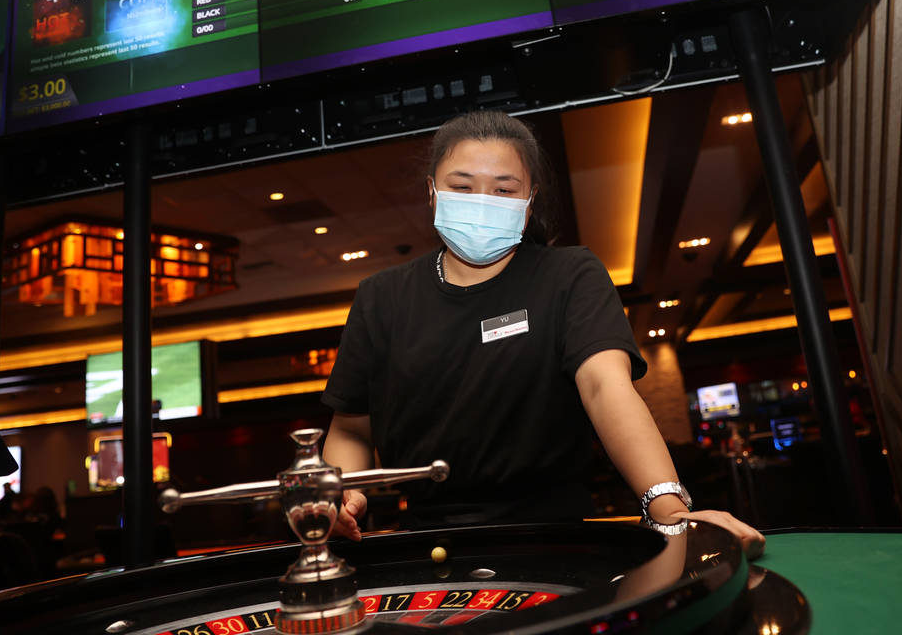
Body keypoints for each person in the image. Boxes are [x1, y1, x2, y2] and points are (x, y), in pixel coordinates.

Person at [321, 111, 764, 557]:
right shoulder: (381, 297)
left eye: (503, 189)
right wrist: (339, 494)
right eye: (462, 186)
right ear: (432, 193)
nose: (482, 200)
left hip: (555, 538)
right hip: (424, 544)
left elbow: (604, 386)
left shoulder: (569, 275)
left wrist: (667, 507)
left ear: (529, 200)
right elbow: (353, 428)